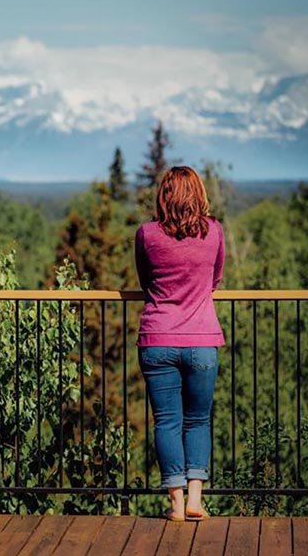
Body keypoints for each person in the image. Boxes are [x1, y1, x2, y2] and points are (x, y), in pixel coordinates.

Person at [135, 166, 224, 522]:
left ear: (164, 197)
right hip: (202, 340)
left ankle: (174, 503)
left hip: (157, 338)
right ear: (198, 195)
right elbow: (215, 279)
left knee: (167, 422)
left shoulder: (146, 234)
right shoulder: (214, 231)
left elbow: (145, 280)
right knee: (198, 420)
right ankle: (195, 500)